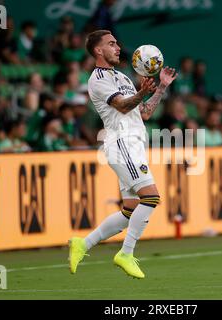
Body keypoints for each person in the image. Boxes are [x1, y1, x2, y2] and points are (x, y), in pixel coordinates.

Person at [68, 30, 177, 279]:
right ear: (98, 50)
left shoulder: (123, 78)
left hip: (135, 143)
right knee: (151, 198)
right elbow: (123, 106)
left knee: (130, 209)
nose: (117, 47)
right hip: (121, 142)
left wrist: (160, 87)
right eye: (111, 44)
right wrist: (140, 93)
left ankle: (82, 244)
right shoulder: (98, 79)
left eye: (116, 43)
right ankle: (126, 253)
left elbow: (144, 112)